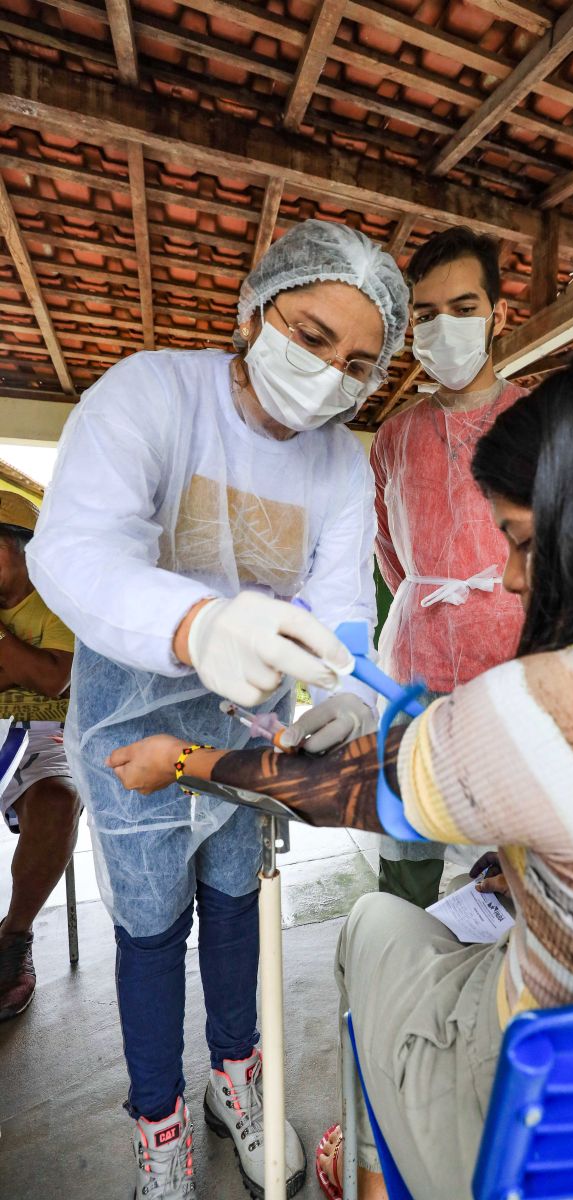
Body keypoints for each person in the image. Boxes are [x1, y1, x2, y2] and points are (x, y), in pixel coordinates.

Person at [113, 336, 573, 1200]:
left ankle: (366, 1176)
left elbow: (335, 790)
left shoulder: (564, 706)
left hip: (553, 1156)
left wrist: (182, 759)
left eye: (521, 540)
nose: (510, 578)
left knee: (375, 923)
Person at [27, 219, 409, 1200]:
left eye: (358, 364)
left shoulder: (336, 464)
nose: (329, 375)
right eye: (312, 336)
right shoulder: (151, 395)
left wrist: (339, 695)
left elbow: (333, 607)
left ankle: (236, 1079)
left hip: (248, 738)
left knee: (239, 910)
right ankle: (157, 1124)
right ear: (255, 309)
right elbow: (70, 554)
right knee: (150, 935)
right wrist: (198, 623)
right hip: (130, 730)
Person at [370, 227, 526, 908]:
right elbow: (390, 556)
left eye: (464, 308)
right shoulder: (395, 437)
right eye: (427, 316)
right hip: (417, 664)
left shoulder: (541, 419)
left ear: (499, 314)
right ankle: (403, 956)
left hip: (522, 662)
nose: (446, 328)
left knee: (523, 836)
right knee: (408, 835)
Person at [0, 491, 79, 1021]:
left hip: (46, 731)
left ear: (20, 548)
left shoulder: (58, 601)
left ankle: (13, 936)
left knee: (58, 799)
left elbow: (55, 678)